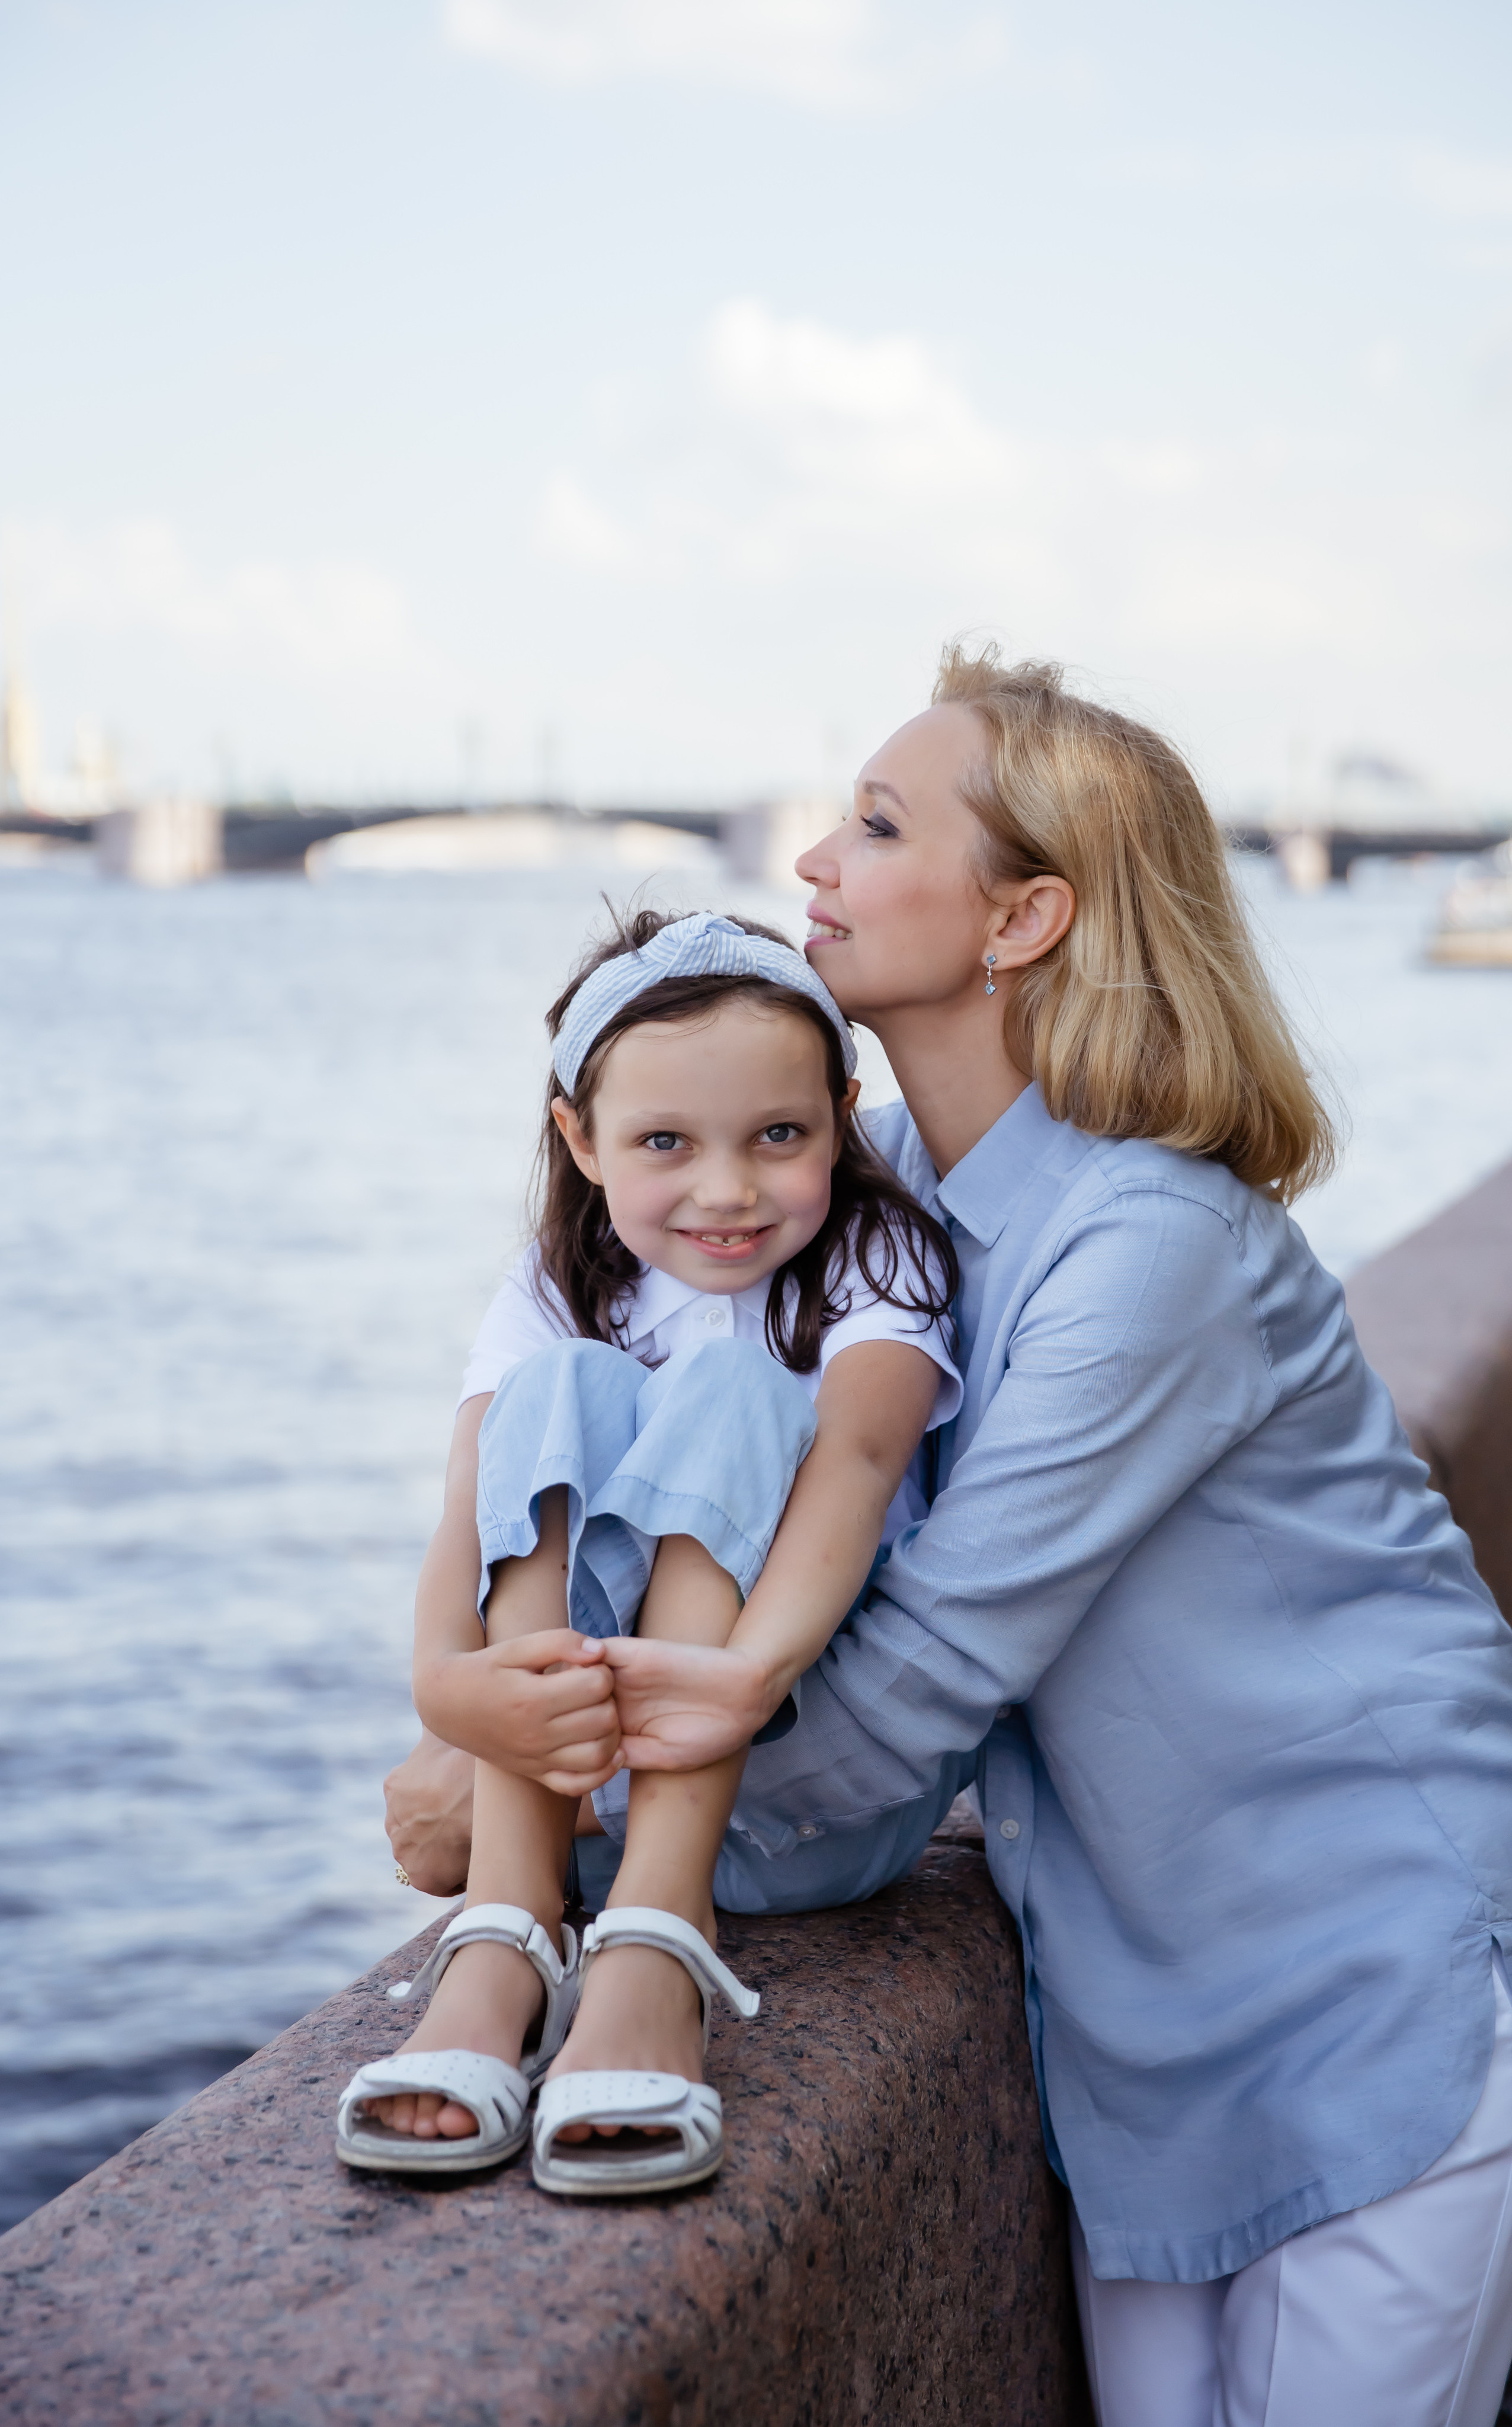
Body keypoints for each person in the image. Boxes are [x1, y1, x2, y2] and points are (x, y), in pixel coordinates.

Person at [388, 648, 1512, 2424]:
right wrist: (492, 1716)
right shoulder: (869, 1185)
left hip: (1365, 1982)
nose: (817, 861)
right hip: (1139, 2035)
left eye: (879, 822)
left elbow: (924, 1671)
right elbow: (623, 1417)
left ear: (1024, 919)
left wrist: (544, 1802)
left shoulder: (1149, 1243)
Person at [339, 908, 969, 2194]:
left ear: (844, 1115)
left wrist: (741, 1677)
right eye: (664, 1143)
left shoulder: (871, 1250)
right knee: (557, 1387)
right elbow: (469, 1503)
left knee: (739, 1389)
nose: (727, 1189)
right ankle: (505, 1932)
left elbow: (854, 1460)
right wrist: (443, 1689)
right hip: (577, 1798)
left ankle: (656, 1938)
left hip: (800, 1797)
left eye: (778, 1136)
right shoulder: (555, 1281)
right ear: (580, 1136)